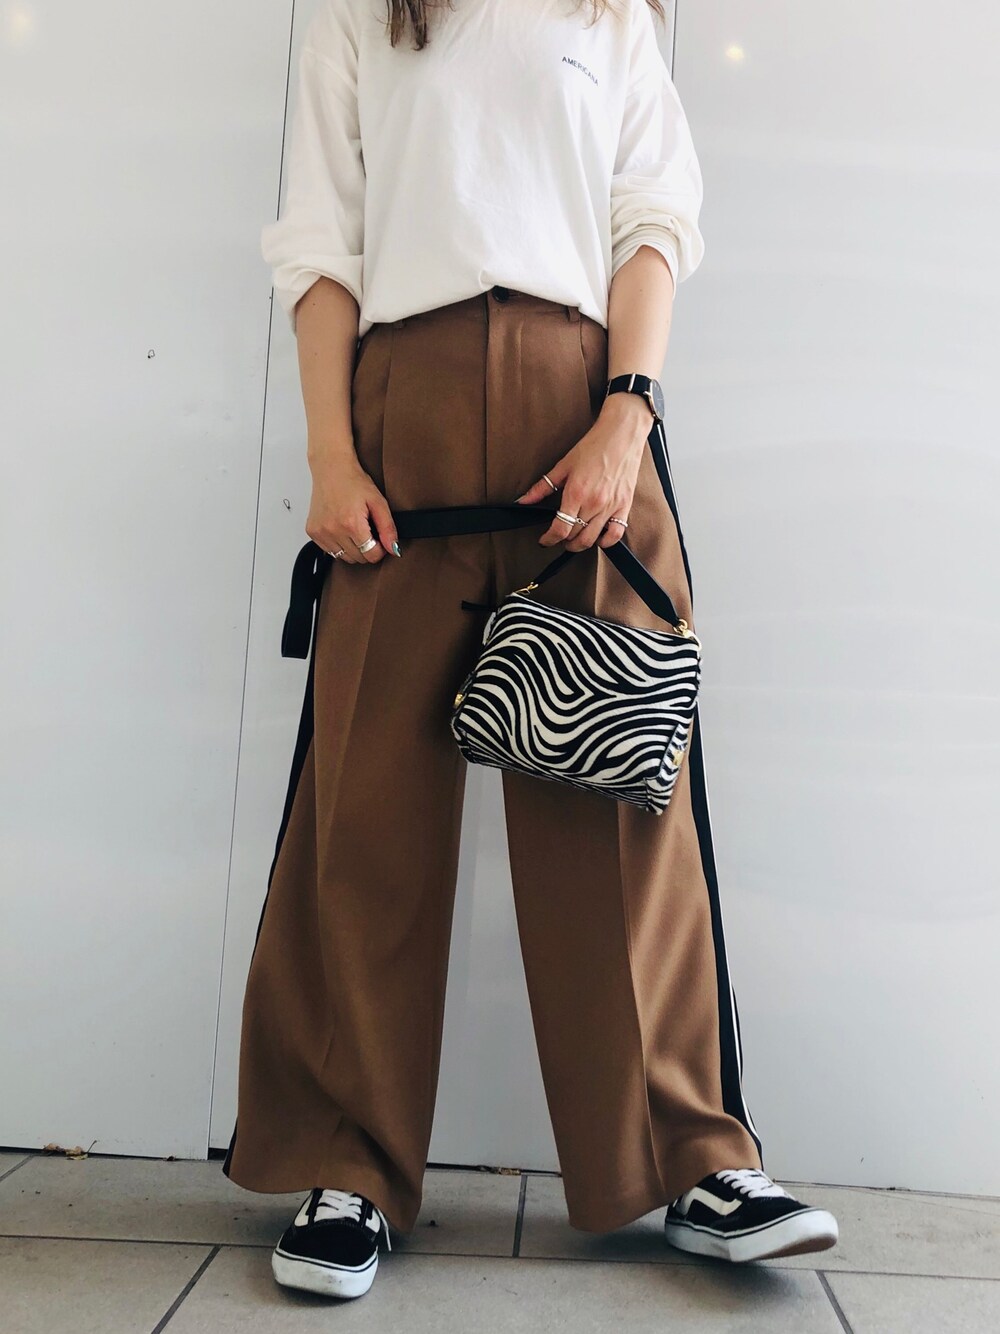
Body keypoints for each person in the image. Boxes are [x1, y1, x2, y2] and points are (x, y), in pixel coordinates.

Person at [221, 0, 839, 1300]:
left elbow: (652, 217)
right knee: (368, 804)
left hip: (585, 423)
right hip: (403, 417)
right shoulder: (361, 12)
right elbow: (320, 240)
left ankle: (690, 1158)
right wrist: (330, 454)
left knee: (619, 793)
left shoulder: (608, 13)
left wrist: (627, 414)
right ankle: (349, 1162)